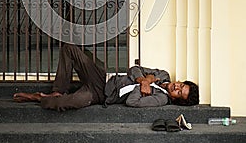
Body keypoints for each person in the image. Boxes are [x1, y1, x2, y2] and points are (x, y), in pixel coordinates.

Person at [13, 43, 199, 111]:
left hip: (102, 95)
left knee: (69, 103)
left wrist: (141, 88)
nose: (177, 87)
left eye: (179, 93)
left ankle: (39, 99)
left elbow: (133, 102)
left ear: (177, 101)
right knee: (70, 49)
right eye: (181, 85)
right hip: (103, 78)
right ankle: (57, 90)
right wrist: (144, 80)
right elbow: (134, 69)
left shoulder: (160, 99)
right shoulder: (163, 74)